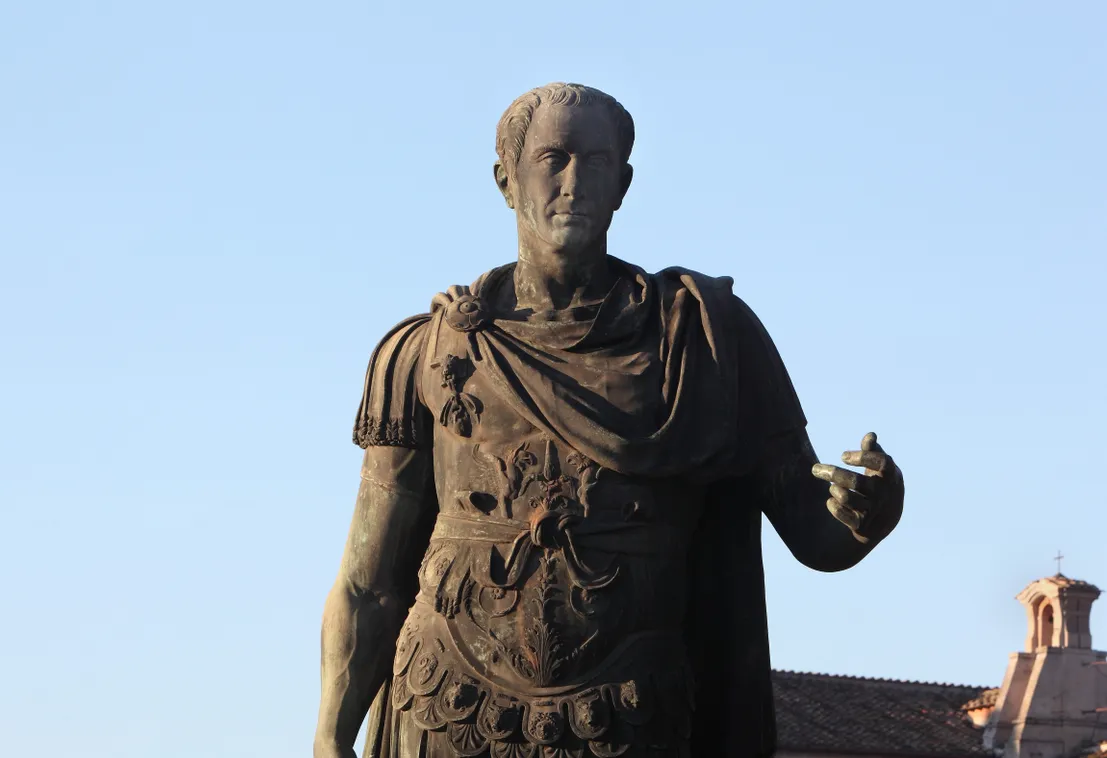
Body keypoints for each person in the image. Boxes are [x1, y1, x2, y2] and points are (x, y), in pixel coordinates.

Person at [314, 83, 904, 758]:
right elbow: (369, 580)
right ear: (507, 179)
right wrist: (330, 736)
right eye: (553, 158)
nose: (574, 181)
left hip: (629, 716)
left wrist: (868, 508)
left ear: (622, 184)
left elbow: (816, 535)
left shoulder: (703, 341)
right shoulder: (425, 352)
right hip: (447, 705)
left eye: (596, 162)